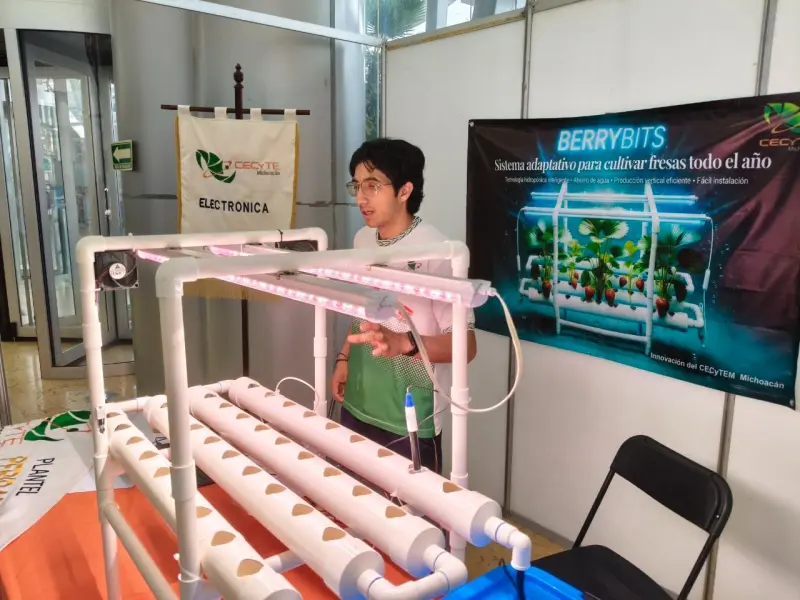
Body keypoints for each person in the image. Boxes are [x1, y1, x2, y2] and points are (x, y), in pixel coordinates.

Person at [331, 138, 478, 475]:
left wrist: (404, 342)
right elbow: (364, 307)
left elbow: (466, 346)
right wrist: (344, 358)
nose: (360, 198)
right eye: (356, 186)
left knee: (408, 505)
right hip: (358, 397)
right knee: (351, 496)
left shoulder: (438, 251)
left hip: (410, 414)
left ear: (404, 190)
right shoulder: (362, 239)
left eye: (372, 186)